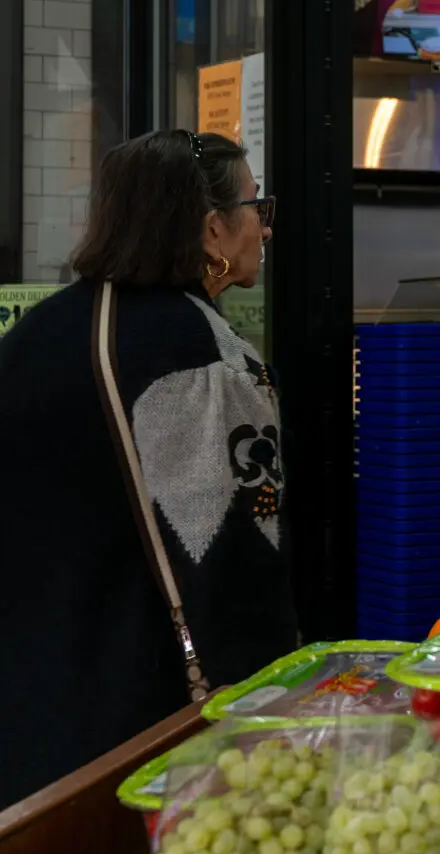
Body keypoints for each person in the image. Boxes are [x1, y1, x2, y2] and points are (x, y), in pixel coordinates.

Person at [0, 130, 294, 808]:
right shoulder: (204, 358)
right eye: (258, 205)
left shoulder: (38, 335)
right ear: (213, 228)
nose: (265, 228)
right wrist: (272, 708)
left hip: (29, 718)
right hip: (142, 732)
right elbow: (234, 554)